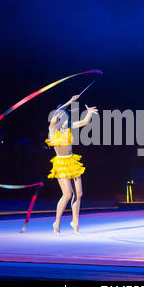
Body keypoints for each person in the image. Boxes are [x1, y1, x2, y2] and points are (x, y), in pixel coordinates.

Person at [46, 95, 98, 235]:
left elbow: (85, 122)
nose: (65, 120)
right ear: (57, 118)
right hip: (61, 163)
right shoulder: (52, 130)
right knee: (67, 193)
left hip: (72, 161)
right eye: (62, 117)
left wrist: (89, 113)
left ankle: (75, 223)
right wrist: (70, 101)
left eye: (66, 118)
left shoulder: (68, 126)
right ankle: (56, 222)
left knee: (79, 193)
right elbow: (56, 114)